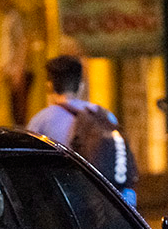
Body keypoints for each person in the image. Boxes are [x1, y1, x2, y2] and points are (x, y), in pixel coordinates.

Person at [27, 55, 137, 206]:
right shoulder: (103, 116)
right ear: (81, 85)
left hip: (62, 200)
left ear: (49, 85)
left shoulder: (40, 121)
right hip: (101, 198)